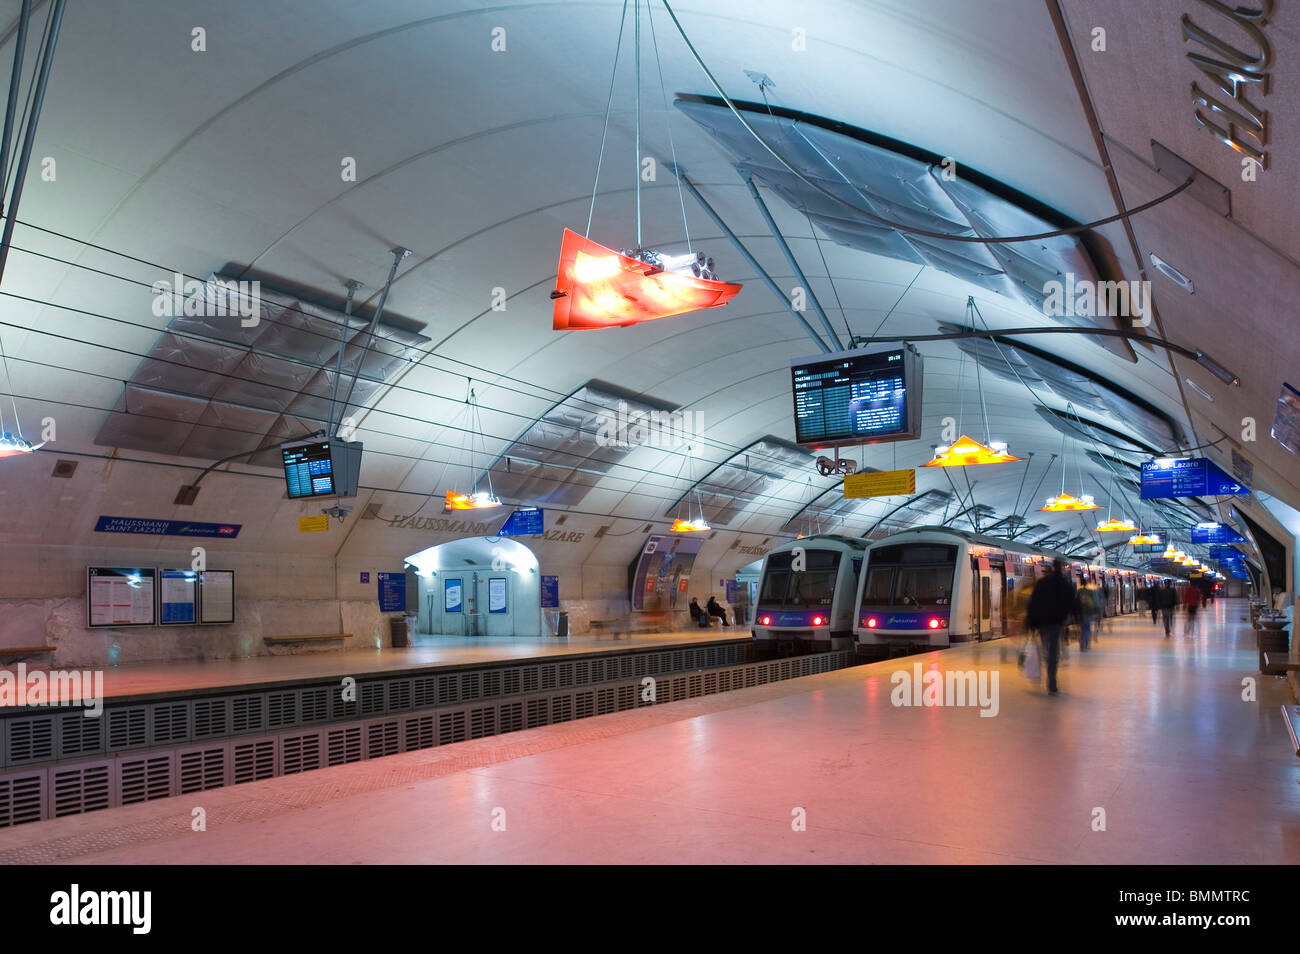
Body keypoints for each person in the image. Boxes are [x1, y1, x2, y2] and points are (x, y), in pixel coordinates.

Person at [1026, 559, 1076, 694]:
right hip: (1056, 622)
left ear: (1053, 567)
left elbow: (1033, 602)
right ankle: (1052, 683)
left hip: (1042, 623)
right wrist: (1075, 618)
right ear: (1062, 568)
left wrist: (1030, 623)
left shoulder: (1042, 583)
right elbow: (1072, 602)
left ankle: (1046, 662)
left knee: (1046, 646)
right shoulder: (1065, 584)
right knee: (1053, 650)